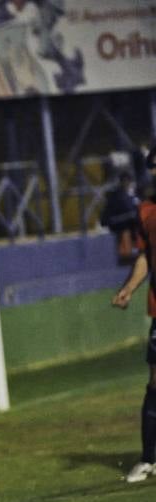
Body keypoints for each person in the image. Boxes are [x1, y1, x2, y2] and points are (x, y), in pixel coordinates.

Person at [109, 146, 156, 484]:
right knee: (155, 385)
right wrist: (129, 288)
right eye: (154, 166)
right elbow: (145, 258)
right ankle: (149, 458)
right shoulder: (146, 212)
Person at [101, 172, 141, 266]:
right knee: (133, 222)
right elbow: (106, 218)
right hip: (118, 224)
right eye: (125, 181)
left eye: (128, 181)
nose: (127, 184)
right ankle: (130, 251)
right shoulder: (116, 196)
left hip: (129, 222)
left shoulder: (132, 195)